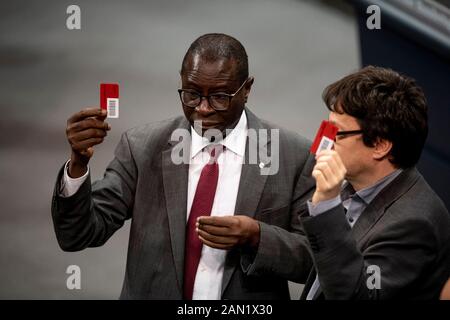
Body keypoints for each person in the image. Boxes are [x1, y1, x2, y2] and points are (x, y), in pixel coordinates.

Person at [51, 33, 315, 299]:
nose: (202, 109)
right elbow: (78, 234)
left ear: (247, 89)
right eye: (192, 93)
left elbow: (314, 263)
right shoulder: (142, 148)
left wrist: (257, 236)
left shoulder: (292, 156)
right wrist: (78, 164)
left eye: (220, 97)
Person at [295, 66, 450, 299]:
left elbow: (357, 294)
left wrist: (326, 205)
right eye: (327, 127)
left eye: (338, 132)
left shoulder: (414, 223)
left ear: (379, 145)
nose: (326, 141)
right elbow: (320, 258)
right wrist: (256, 238)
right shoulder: (351, 186)